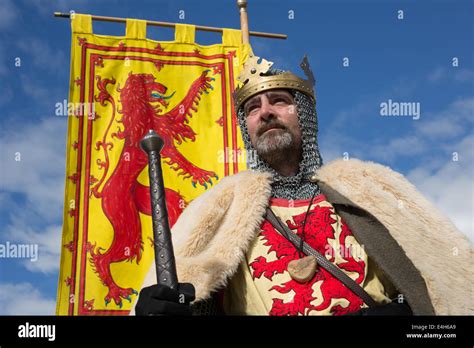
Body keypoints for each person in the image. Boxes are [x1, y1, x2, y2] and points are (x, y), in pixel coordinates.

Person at [132, 55, 472, 316]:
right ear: (245, 127)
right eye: (252, 107)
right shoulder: (222, 206)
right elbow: (196, 293)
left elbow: (442, 284)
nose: (265, 112)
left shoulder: (368, 190)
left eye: (279, 100)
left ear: (304, 113)